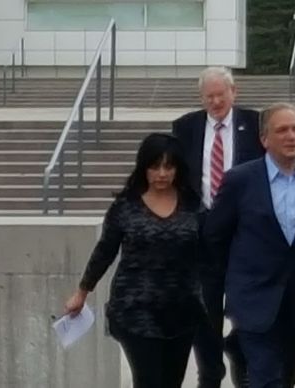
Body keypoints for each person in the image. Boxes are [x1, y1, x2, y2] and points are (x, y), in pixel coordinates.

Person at [206, 103, 295, 388]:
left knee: (287, 374)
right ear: (264, 139)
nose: (292, 136)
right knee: (267, 378)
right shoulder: (240, 181)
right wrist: (226, 284)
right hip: (254, 298)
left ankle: (239, 354)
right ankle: (242, 351)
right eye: (282, 130)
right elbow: (215, 237)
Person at [64, 133, 205, 388]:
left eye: (168, 166)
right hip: (135, 311)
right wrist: (82, 291)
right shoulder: (125, 206)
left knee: (172, 382)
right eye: (155, 166)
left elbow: (210, 252)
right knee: (149, 381)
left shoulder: (193, 205)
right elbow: (105, 251)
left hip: (182, 309)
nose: (161, 174)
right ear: (144, 168)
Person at [172, 66, 265, 388]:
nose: (214, 102)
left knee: (247, 310)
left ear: (233, 92)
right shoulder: (185, 127)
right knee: (204, 312)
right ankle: (210, 374)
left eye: (220, 95)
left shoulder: (255, 124)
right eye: (208, 96)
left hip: (245, 236)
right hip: (201, 235)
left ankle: (242, 364)